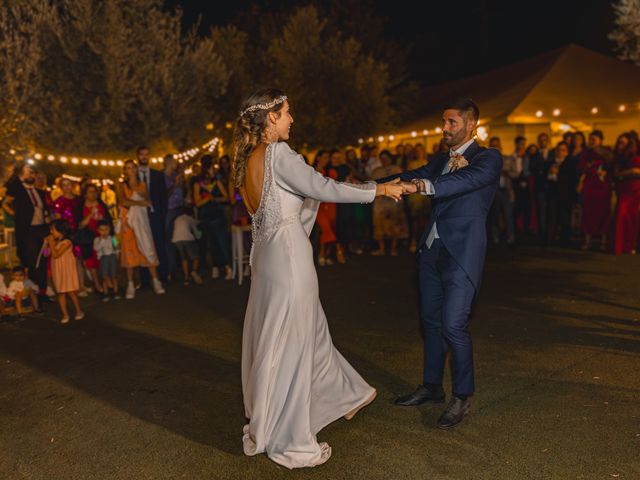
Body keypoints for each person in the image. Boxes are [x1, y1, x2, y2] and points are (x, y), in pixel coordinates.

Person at [234, 88, 403, 469]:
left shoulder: (248, 160)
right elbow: (322, 188)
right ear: (272, 118)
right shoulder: (279, 154)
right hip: (289, 258)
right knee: (293, 340)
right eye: (288, 112)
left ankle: (349, 395)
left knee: (306, 332)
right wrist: (377, 189)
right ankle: (290, 432)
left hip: (266, 258)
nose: (293, 119)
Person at [381, 98, 502, 429]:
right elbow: (413, 173)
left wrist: (422, 186)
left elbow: (461, 182)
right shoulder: (441, 160)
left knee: (453, 325)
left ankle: (462, 396)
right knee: (431, 323)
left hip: (461, 254)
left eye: (451, 122)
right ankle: (432, 387)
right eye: (444, 122)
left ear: (470, 124)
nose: (444, 128)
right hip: (431, 252)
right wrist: (376, 187)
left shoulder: (487, 158)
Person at [117, 160, 165, 299]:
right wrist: (139, 202)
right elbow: (123, 202)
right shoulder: (121, 185)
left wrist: (137, 201)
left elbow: (148, 202)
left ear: (136, 169)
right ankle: (130, 285)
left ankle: (156, 281)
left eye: (132, 167)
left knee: (147, 248)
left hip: (142, 222)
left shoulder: (142, 185)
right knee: (129, 252)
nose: (130, 170)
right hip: (128, 222)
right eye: (127, 168)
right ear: (124, 171)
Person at [2, 163, 50, 297]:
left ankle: (43, 290)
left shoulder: (39, 192)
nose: (31, 175)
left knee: (44, 258)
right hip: (28, 231)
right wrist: (15, 215)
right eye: (28, 172)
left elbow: (44, 210)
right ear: (21, 175)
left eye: (32, 172)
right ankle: (35, 295)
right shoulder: (18, 190)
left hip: (42, 230)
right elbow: (5, 203)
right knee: (33, 261)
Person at [193, 155, 233, 280]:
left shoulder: (217, 182)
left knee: (221, 241)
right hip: (206, 216)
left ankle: (227, 267)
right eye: (210, 168)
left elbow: (226, 197)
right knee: (212, 242)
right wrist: (207, 198)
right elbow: (197, 202)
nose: (212, 170)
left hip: (218, 215)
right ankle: (215, 267)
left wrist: (215, 198)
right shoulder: (198, 184)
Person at [137, 145, 169, 284]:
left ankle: (163, 276)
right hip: (140, 217)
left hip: (156, 216)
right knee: (142, 246)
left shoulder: (158, 175)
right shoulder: (132, 176)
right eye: (141, 154)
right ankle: (145, 279)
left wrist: (162, 215)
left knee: (159, 245)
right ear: (137, 156)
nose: (144, 157)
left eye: (146, 154)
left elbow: (163, 197)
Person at [578, 130, 613, 251]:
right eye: (590, 139)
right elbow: (581, 168)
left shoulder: (607, 152)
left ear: (600, 140)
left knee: (603, 213)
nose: (591, 141)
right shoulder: (586, 153)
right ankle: (588, 241)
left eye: (594, 139)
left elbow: (612, 166)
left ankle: (603, 242)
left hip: (603, 185)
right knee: (588, 213)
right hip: (589, 185)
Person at [76, 183, 112, 294]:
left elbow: (109, 220)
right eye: (90, 192)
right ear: (85, 194)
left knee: (106, 259)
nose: (93, 194)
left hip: (103, 236)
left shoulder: (101, 204)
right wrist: (90, 214)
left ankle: (108, 282)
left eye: (95, 191)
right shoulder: (81, 206)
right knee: (92, 263)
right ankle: (97, 284)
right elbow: (80, 225)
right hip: (88, 238)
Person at [45, 219, 84, 324]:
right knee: (60, 292)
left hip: (66, 270)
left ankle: (79, 311)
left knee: (71, 292)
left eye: (53, 230)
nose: (51, 232)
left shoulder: (67, 242)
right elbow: (46, 254)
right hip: (57, 270)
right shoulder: (54, 242)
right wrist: (46, 245)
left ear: (60, 230)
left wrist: (51, 243)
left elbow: (56, 255)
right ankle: (65, 314)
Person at [371, 150, 408, 256]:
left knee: (394, 223)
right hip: (380, 201)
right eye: (382, 158)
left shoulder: (396, 169)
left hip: (393, 199)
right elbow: (372, 184)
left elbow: (402, 183)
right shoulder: (376, 171)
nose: (384, 160)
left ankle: (393, 248)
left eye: (386, 158)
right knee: (379, 224)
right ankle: (382, 248)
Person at [544, 141, 578, 246]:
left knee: (565, 217)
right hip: (553, 193)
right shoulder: (550, 162)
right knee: (552, 216)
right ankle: (550, 239)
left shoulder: (570, 163)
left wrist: (558, 174)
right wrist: (550, 173)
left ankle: (565, 239)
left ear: (566, 152)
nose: (560, 152)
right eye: (558, 150)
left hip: (565, 194)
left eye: (562, 150)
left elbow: (572, 178)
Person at [612, 133, 640, 255]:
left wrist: (627, 172)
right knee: (621, 214)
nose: (620, 145)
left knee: (629, 216)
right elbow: (615, 174)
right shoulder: (618, 158)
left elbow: (637, 171)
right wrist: (629, 172)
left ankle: (629, 246)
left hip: (634, 189)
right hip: (623, 189)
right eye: (619, 142)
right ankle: (621, 245)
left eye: (622, 143)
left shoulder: (635, 157)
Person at [489, 136, 515, 245]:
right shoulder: (487, 161)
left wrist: (508, 173)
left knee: (508, 215)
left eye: (497, 145)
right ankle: (495, 237)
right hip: (494, 191)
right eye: (493, 145)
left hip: (506, 191)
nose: (496, 147)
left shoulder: (507, 159)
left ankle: (510, 237)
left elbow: (516, 173)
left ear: (500, 146)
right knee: (494, 215)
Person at [405, 143, 431, 252]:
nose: (419, 152)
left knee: (425, 218)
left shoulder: (428, 163)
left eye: (421, 150)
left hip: (425, 193)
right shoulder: (411, 164)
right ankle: (414, 241)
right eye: (417, 150)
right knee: (415, 219)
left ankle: (425, 241)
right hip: (415, 194)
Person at [164, 154, 185, 279]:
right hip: (170, 211)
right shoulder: (163, 177)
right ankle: (171, 269)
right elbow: (164, 195)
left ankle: (183, 267)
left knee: (181, 238)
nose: (176, 164)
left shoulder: (175, 176)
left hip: (180, 209)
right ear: (169, 163)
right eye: (175, 162)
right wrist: (175, 185)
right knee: (169, 240)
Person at [171, 206, 203, 285]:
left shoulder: (177, 218)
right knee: (196, 257)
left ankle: (186, 278)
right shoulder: (190, 219)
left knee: (183, 258)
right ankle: (194, 272)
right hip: (187, 238)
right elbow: (197, 234)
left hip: (176, 240)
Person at [93, 220, 120, 301]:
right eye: (101, 230)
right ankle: (105, 293)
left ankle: (116, 291)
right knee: (104, 277)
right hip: (103, 258)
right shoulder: (97, 240)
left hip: (112, 257)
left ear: (109, 229)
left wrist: (117, 254)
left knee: (114, 276)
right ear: (98, 230)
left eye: (106, 229)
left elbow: (117, 247)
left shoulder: (113, 238)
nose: (104, 232)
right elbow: (96, 248)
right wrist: (102, 239)